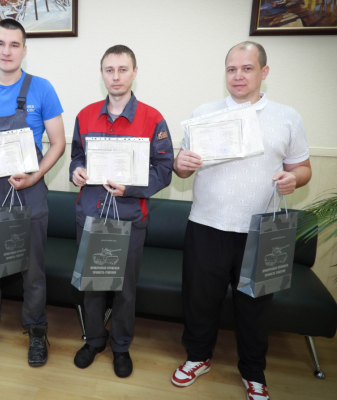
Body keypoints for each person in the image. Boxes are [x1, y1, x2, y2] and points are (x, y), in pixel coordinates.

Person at [171, 42, 311, 400]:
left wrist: (294, 179)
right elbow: (183, 169)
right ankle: (198, 357)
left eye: (247, 68)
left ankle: (253, 372)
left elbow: (302, 168)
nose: (238, 75)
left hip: (260, 231)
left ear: (264, 72)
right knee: (200, 301)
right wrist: (179, 165)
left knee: (255, 307)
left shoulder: (287, 117)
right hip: (207, 225)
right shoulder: (204, 113)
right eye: (232, 69)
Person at [0, 19, 65, 367]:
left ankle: (36, 331)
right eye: (0, 43)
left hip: (28, 193)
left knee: (32, 270)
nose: (7, 51)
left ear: (24, 49)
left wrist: (35, 177)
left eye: (14, 44)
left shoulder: (42, 89)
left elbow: (58, 142)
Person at [69, 45, 174, 378]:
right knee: (92, 285)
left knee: (124, 290)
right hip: (91, 214)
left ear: (134, 72)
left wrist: (130, 188)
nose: (116, 76)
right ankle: (94, 340)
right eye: (109, 70)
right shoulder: (85, 115)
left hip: (129, 218)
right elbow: (76, 155)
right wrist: (76, 170)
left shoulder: (152, 118)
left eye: (123, 69)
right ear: (102, 74)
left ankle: (121, 346)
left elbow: (164, 170)